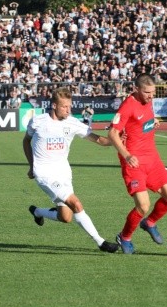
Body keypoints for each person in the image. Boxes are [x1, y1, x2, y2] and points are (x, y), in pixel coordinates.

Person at [23, 87, 119, 253]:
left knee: (65, 217)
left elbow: (100, 141)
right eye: (64, 107)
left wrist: (117, 139)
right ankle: (101, 242)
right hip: (44, 174)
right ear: (54, 106)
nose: (68, 110)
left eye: (69, 106)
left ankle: (38, 212)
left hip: (64, 173)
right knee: (76, 204)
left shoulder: (72, 123)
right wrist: (32, 166)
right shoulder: (38, 121)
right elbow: (26, 142)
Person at [107, 73, 167, 255]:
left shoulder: (148, 101)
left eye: (153, 92)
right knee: (143, 206)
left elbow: (140, 123)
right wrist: (126, 155)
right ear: (136, 89)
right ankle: (125, 237)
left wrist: (152, 123)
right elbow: (112, 134)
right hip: (134, 162)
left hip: (153, 159)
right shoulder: (127, 105)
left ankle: (150, 222)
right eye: (147, 92)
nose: (151, 96)